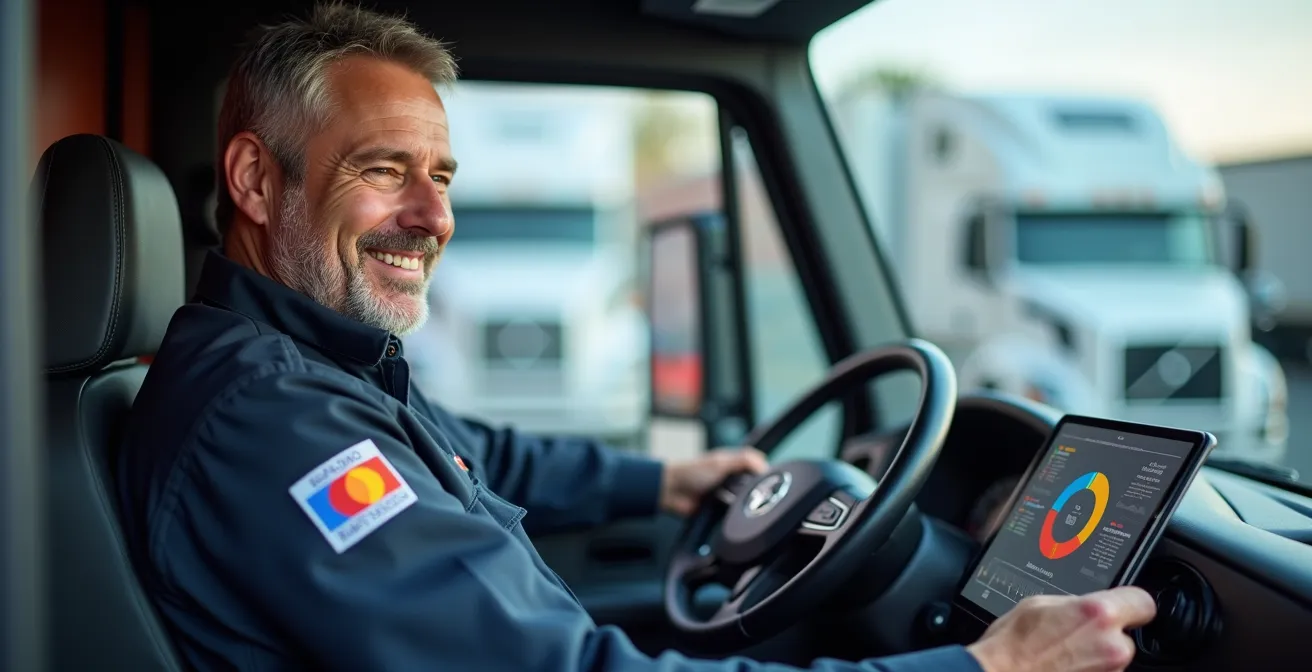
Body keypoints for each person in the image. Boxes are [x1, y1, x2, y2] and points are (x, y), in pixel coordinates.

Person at [117, 4, 1157, 671]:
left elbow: (472, 451)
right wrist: (983, 666)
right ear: (256, 181)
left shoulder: (320, 366)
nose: (433, 218)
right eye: (384, 170)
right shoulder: (274, 425)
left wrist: (661, 483)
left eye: (442, 177)